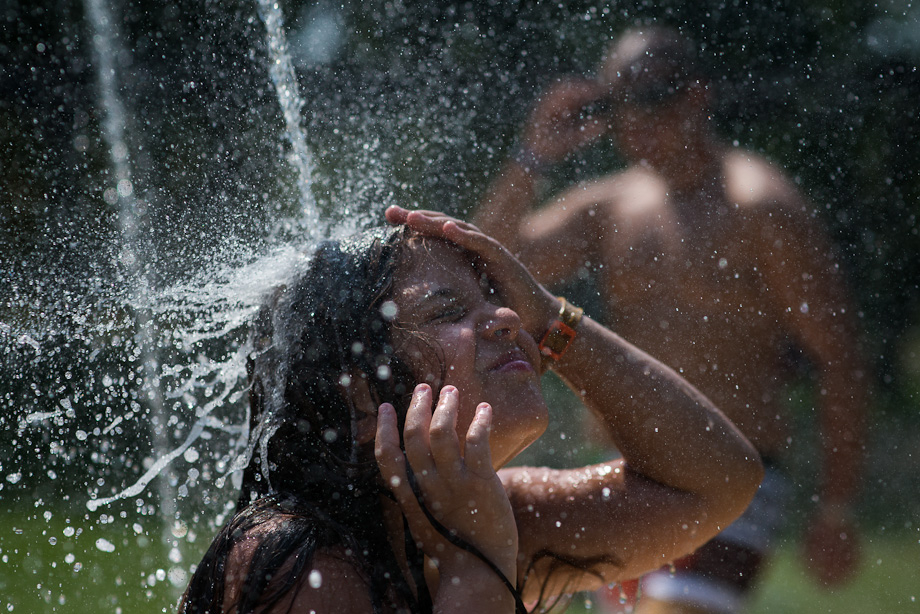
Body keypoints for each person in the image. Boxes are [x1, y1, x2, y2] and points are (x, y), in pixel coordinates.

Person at [178, 205, 762, 614]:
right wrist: (475, 566)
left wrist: (554, 320)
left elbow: (718, 482)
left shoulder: (497, 517)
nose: (507, 317)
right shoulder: (299, 568)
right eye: (445, 311)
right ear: (359, 395)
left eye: (498, 298)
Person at [474, 26, 869, 614]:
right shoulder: (610, 207)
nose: (634, 118)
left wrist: (837, 507)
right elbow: (481, 265)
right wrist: (533, 155)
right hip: (616, 478)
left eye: (651, 95)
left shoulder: (761, 209)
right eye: (616, 100)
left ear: (697, 95)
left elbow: (838, 358)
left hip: (729, 483)